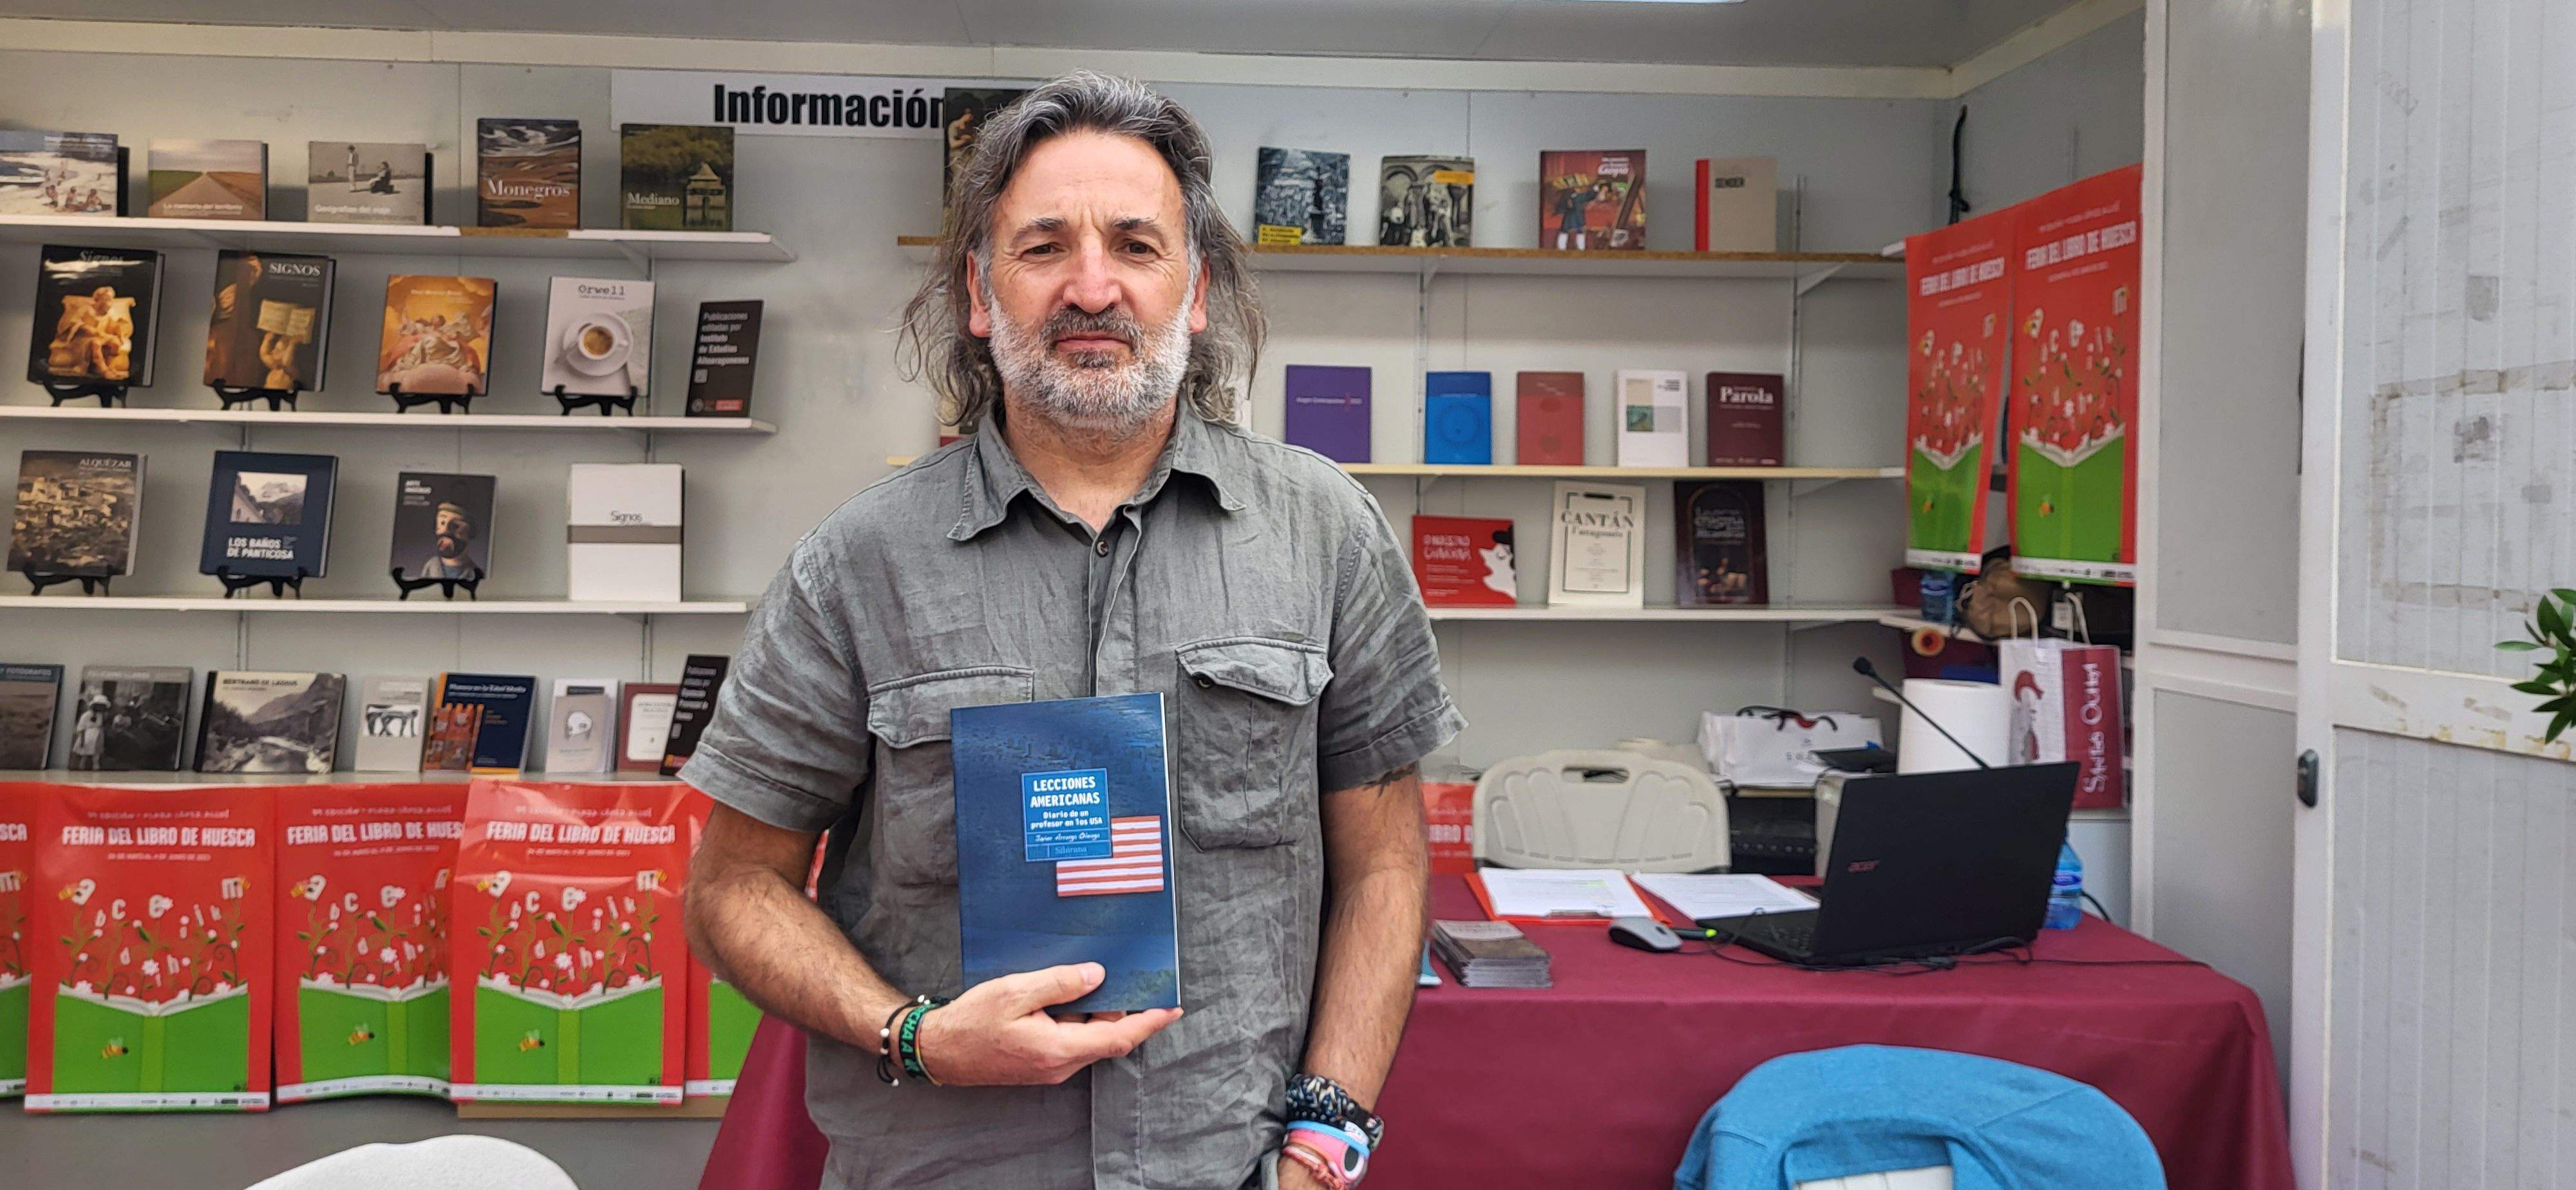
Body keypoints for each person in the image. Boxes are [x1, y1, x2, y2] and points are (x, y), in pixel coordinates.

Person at [681, 71, 1460, 1190]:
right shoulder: (857, 565)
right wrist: (914, 1033)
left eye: (1136, 246)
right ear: (979, 295)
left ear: (1195, 290)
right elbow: (731, 892)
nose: (1091, 286)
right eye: (1044, 246)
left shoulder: (1326, 533)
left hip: (1234, 1170)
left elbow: (1384, 859)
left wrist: (1325, 1140)